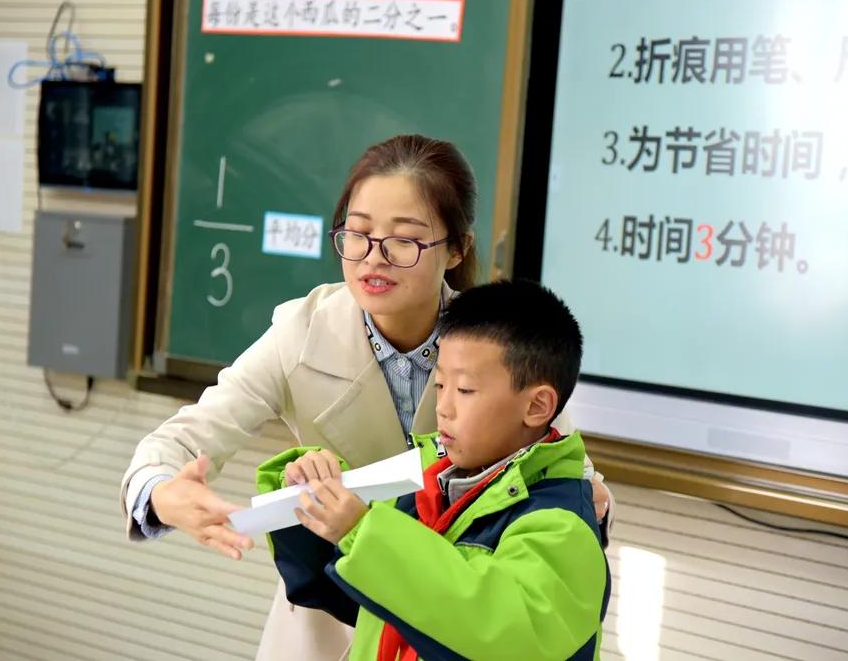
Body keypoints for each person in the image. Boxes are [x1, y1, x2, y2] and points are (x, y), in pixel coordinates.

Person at [119, 134, 614, 659]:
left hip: (462, 610)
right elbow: (187, 436)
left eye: (404, 240)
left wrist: (596, 506)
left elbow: (561, 472)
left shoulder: (499, 342)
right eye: (356, 234)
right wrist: (159, 492)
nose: (372, 259)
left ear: (456, 249)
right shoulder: (300, 332)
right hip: (330, 613)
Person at [260, 279, 610, 660]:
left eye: (464, 390)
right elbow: (342, 590)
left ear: (537, 406)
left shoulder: (562, 526)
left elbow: (494, 630)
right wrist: (309, 491)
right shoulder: (423, 479)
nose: (443, 407)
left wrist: (360, 532)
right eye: (440, 384)